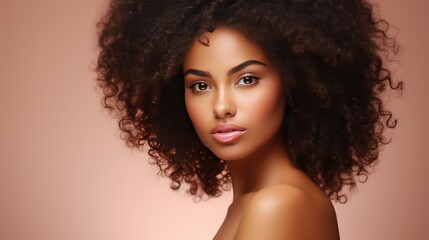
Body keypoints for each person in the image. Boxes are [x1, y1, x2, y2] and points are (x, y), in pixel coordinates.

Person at [96, 0, 402, 239]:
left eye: (247, 79)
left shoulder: (278, 206)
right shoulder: (252, 204)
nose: (221, 106)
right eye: (200, 85)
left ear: (293, 81)